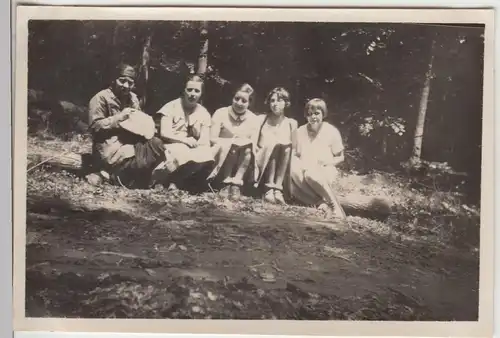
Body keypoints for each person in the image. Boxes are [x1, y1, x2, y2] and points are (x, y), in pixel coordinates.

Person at [87, 63, 166, 188]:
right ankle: (112, 175)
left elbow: (139, 123)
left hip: (130, 143)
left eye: (130, 83)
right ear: (114, 80)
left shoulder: (133, 98)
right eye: (122, 81)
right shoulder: (101, 98)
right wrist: (118, 118)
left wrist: (147, 126)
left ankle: (115, 176)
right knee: (135, 160)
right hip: (109, 147)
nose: (126, 86)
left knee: (157, 144)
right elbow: (94, 126)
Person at [151, 75, 214, 191]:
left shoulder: (204, 113)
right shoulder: (170, 107)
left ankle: (175, 180)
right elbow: (164, 133)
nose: (192, 94)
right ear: (184, 90)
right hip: (170, 144)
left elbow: (204, 139)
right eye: (189, 90)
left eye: (197, 91)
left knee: (206, 154)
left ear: (201, 94)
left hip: (192, 147)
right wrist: (184, 141)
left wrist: (198, 146)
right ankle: (159, 180)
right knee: (181, 150)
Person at [290, 98, 347, 219]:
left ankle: (335, 206)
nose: (313, 117)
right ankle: (321, 203)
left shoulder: (331, 131)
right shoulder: (300, 131)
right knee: (291, 183)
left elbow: (341, 157)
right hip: (303, 170)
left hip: (324, 170)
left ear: (323, 114)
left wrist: (328, 162)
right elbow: (295, 154)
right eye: (309, 114)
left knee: (311, 174)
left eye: (316, 113)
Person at [208, 83, 259, 200]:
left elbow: (254, 144)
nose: (239, 103)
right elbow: (212, 138)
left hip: (243, 159)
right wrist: (231, 142)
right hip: (222, 156)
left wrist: (241, 142)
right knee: (233, 145)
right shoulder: (221, 113)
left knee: (247, 147)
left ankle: (236, 182)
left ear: (249, 103)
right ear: (232, 98)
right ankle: (226, 182)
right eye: (236, 99)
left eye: (244, 101)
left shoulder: (254, 119)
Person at [253, 87, 298, 204]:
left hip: (281, 164)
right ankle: (269, 188)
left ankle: (277, 188)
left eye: (279, 101)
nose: (274, 104)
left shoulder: (291, 123)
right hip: (262, 161)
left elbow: (294, 149)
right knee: (274, 144)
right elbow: (254, 143)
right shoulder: (261, 119)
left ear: (286, 103)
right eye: (272, 101)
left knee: (287, 147)